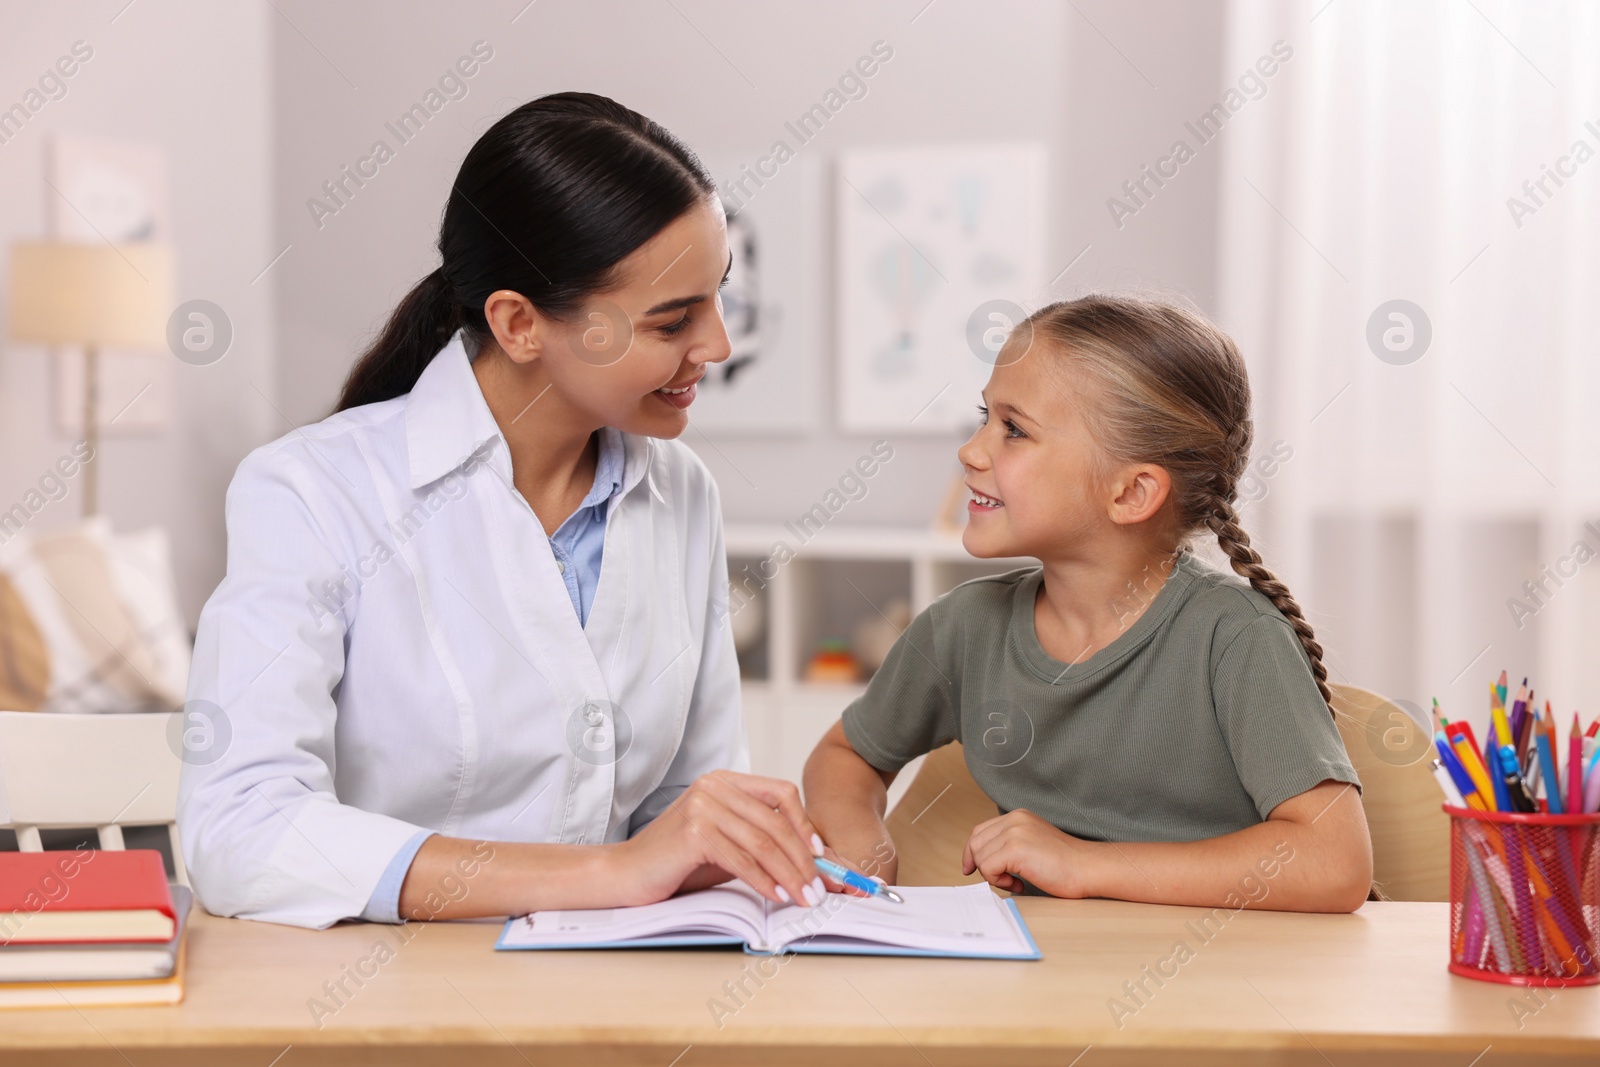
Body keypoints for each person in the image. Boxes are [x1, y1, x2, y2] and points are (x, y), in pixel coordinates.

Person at [178, 93, 828, 929]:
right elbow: (242, 831)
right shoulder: (311, 491)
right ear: (520, 323)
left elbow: (685, 802)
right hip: (379, 1015)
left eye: (717, 299)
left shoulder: (682, 491)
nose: (717, 346)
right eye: (672, 321)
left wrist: (740, 845)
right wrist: (612, 872)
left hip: (613, 1002)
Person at [804, 294, 1373, 913]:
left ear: (1131, 492)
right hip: (1045, 984)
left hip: (1213, 987)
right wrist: (864, 846)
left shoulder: (1234, 638)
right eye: (984, 417)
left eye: (1013, 429)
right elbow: (846, 756)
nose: (972, 450)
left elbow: (1334, 863)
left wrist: (1082, 863)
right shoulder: (963, 629)